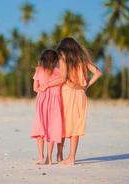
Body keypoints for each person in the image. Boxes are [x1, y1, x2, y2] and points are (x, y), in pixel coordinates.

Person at [54, 37, 102, 165]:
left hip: (66, 93)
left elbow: (63, 78)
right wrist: (86, 86)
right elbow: (98, 73)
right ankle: (71, 158)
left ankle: (59, 155)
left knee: (62, 124)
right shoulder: (83, 59)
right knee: (75, 125)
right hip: (80, 94)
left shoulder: (63, 59)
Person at [30, 49, 65, 165]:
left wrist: (43, 88)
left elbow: (35, 88)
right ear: (55, 60)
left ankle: (41, 156)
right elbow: (63, 81)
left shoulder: (39, 70)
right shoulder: (59, 72)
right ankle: (49, 158)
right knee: (51, 129)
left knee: (40, 128)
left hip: (42, 101)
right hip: (55, 102)